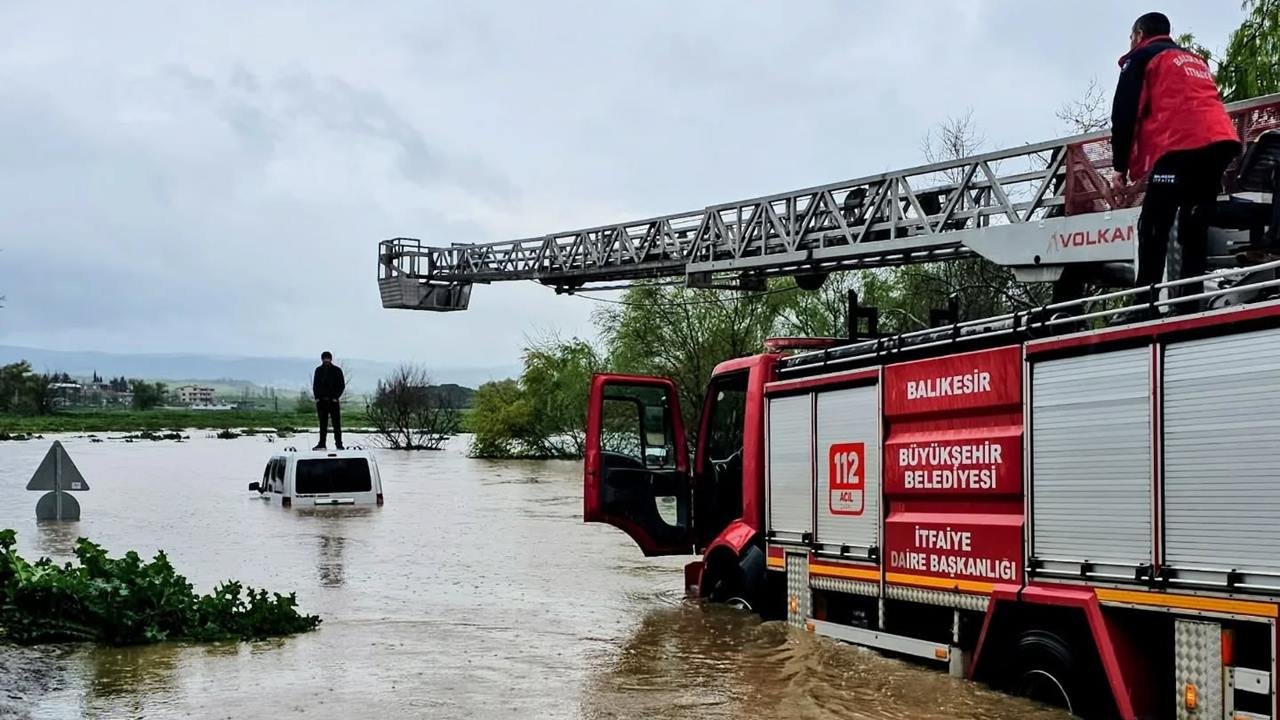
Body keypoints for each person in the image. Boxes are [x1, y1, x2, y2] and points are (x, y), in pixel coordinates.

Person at [1111, 12, 1240, 316]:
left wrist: (1119, 166)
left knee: (1154, 222)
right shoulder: (1193, 60)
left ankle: (1145, 303)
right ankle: (1190, 302)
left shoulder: (1141, 57)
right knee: (1194, 220)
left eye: (1131, 36)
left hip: (1181, 145)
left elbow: (1124, 113)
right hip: (1219, 143)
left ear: (1139, 34)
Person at [312, 351, 345, 451]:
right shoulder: (318, 370)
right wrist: (317, 397)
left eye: (328, 358)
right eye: (324, 359)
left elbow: (341, 385)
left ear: (331, 359)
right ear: (322, 359)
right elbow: (315, 385)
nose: (326, 360)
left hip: (333, 401)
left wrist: (336, 397)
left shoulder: (337, 370)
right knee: (322, 424)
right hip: (321, 401)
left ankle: (339, 444)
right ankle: (322, 444)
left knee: (336, 424)